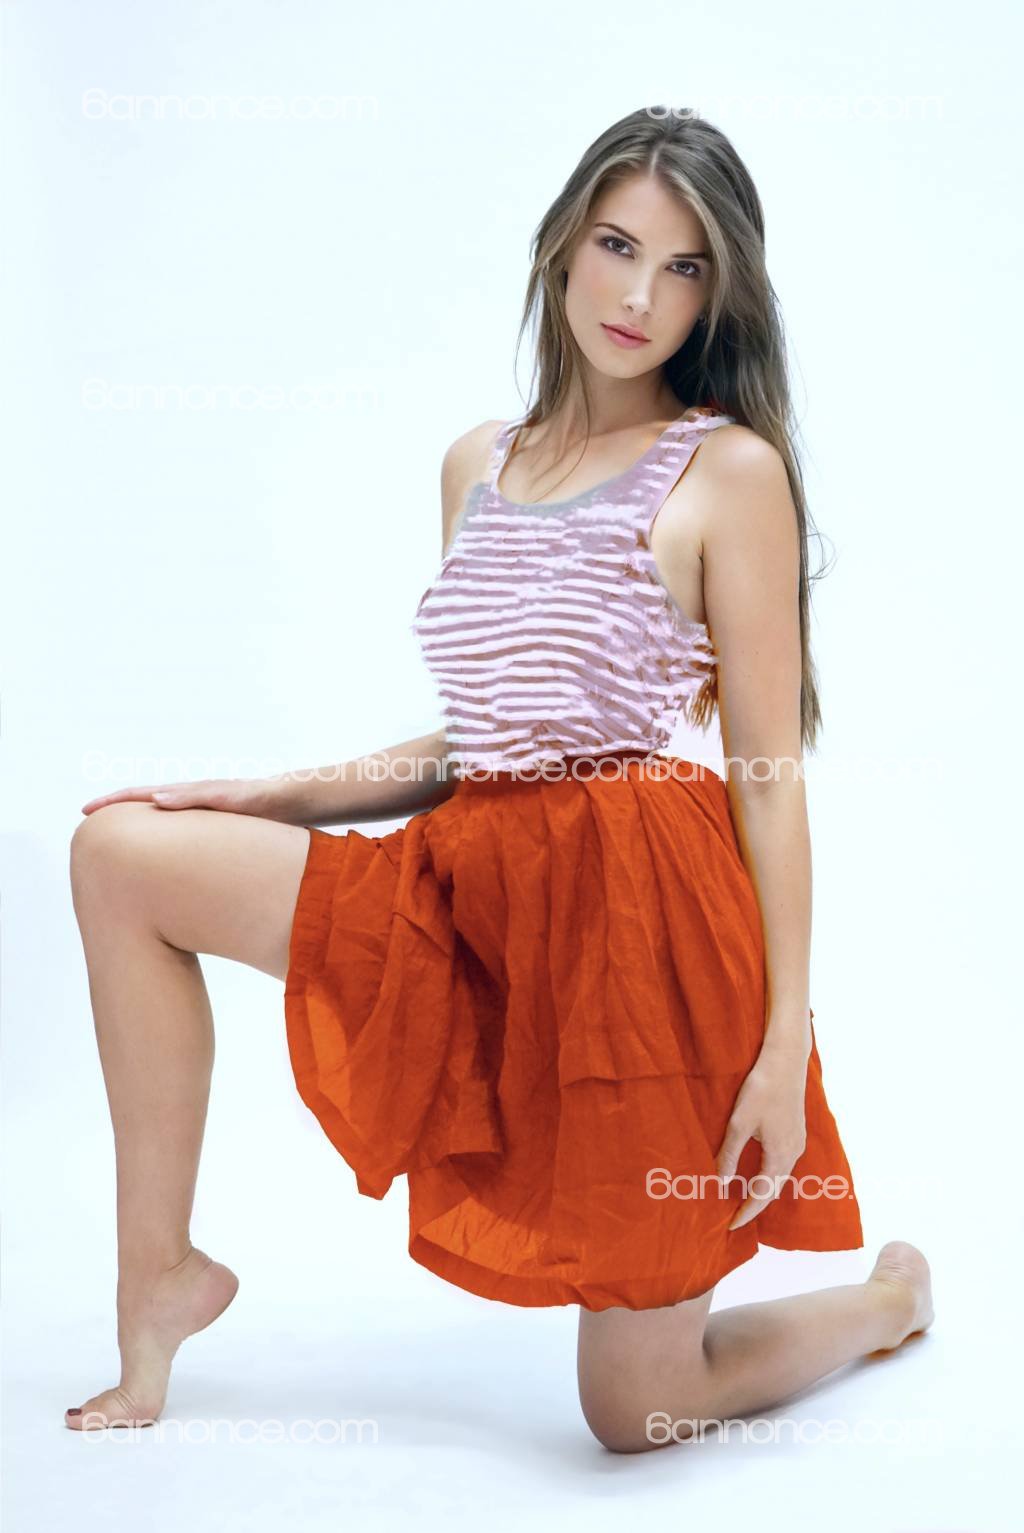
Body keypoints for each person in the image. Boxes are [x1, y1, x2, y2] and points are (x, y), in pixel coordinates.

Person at [65, 107, 932, 1449]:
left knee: (639, 1406)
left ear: (718, 297)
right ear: (563, 247)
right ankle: (159, 1280)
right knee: (123, 852)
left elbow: (765, 777)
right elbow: (488, 741)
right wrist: (275, 796)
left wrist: (783, 1044)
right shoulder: (480, 461)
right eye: (618, 246)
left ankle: (884, 1302)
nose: (639, 297)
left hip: (635, 936)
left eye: (685, 268)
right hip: (466, 901)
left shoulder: (730, 471)